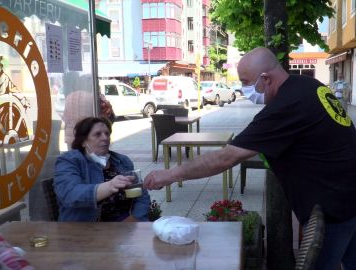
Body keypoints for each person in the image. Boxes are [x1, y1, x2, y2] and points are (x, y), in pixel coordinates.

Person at [144, 47, 356, 270]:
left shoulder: (285, 106)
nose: (244, 89)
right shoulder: (308, 86)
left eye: (247, 82)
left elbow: (226, 157)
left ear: (265, 78)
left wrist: (169, 174)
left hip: (335, 209)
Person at [54, 116, 150, 222]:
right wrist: (109, 186)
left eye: (107, 133)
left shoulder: (122, 161)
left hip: (124, 226)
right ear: (83, 141)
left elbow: (141, 195)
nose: (105, 138)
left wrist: (135, 218)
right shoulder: (70, 160)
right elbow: (70, 194)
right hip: (85, 229)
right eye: (97, 134)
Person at [63, 74, 116, 149]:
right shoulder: (97, 98)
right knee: (89, 159)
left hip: (70, 136)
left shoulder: (69, 97)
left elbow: (65, 118)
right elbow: (106, 117)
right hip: (88, 136)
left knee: (73, 158)